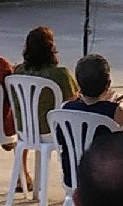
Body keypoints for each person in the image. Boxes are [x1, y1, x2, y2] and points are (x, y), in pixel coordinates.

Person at [9, 25, 75, 196]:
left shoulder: (18, 71)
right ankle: (74, 181)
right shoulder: (61, 74)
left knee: (26, 120)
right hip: (50, 131)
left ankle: (21, 174)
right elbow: (73, 102)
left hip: (24, 130)